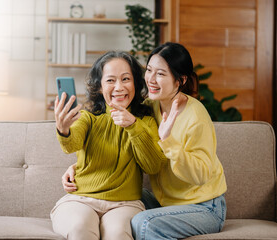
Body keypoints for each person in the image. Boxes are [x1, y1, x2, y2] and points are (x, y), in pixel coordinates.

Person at [62, 42, 227, 240]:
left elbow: (200, 176)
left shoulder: (195, 116)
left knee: (143, 224)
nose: (151, 79)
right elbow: (118, 143)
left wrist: (169, 143)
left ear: (180, 81)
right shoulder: (150, 106)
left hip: (202, 206)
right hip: (164, 202)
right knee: (124, 189)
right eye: (149, 70)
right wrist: (78, 167)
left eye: (161, 74)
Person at [51, 51, 167, 240]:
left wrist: (133, 126)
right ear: (99, 87)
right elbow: (71, 145)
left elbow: (153, 166)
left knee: (118, 234)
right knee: (81, 228)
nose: (119, 87)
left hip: (125, 203)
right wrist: (64, 130)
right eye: (111, 80)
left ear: (136, 84)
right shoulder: (88, 118)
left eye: (126, 79)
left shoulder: (146, 122)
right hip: (81, 199)